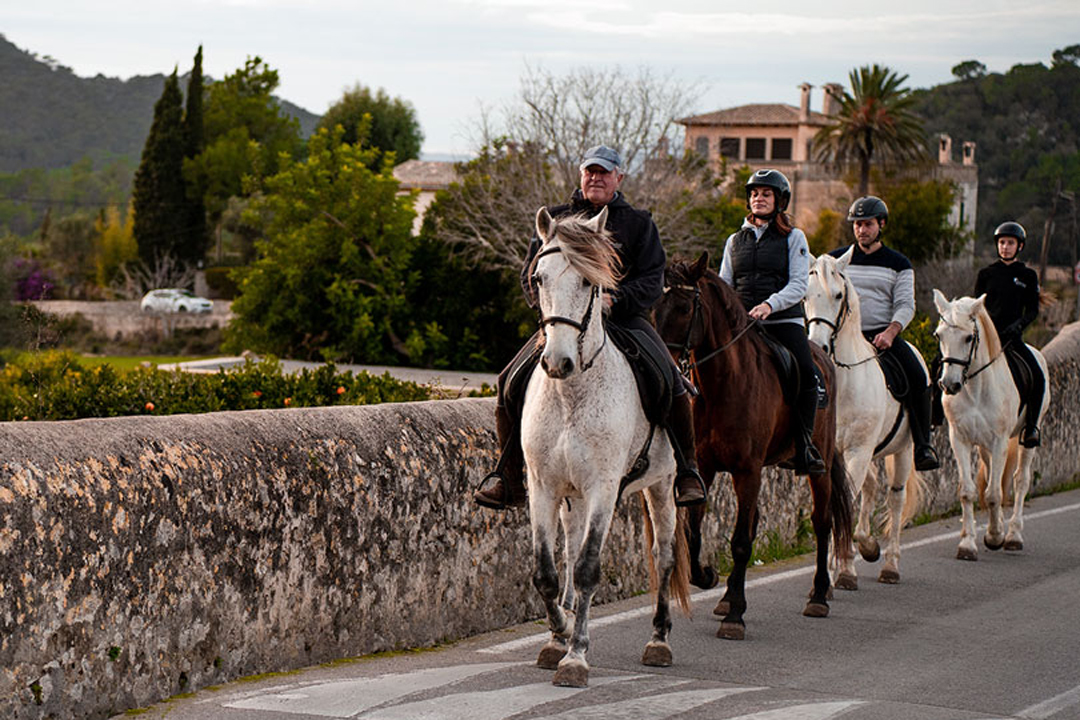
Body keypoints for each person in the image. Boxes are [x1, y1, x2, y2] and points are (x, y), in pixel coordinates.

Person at [473, 145, 706, 510]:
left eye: (604, 172)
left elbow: (652, 279)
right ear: (581, 175)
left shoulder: (638, 222)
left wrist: (616, 300)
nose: (596, 178)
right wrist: (551, 311)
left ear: (619, 177)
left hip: (625, 320)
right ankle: (509, 476)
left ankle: (688, 471)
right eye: (590, 172)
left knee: (672, 380)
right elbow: (530, 276)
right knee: (507, 381)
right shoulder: (554, 219)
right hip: (563, 323)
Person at [719, 169, 826, 475]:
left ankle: (805, 446)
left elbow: (798, 284)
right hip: (742, 324)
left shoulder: (794, 237)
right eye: (754, 194)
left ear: (780, 200)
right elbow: (726, 283)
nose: (759, 199)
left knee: (807, 373)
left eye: (766, 194)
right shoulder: (733, 240)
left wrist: (769, 305)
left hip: (783, 322)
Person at [828, 196, 941, 471]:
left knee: (916, 375)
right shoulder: (835, 260)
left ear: (881, 225)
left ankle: (923, 445)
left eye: (867, 224)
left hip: (881, 336)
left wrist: (891, 332)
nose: (861, 230)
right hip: (842, 338)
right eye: (857, 224)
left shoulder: (898, 263)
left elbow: (905, 305)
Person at [973, 221, 1044, 447]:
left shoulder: (1028, 276)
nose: (1005, 247)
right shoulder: (986, 274)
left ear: (1019, 246)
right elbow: (977, 307)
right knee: (945, 362)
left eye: (1010, 243)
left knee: (1037, 375)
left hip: (1012, 339)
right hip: (987, 338)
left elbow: (1033, 309)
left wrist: (1019, 325)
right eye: (1002, 242)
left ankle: (1031, 427)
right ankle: (938, 412)